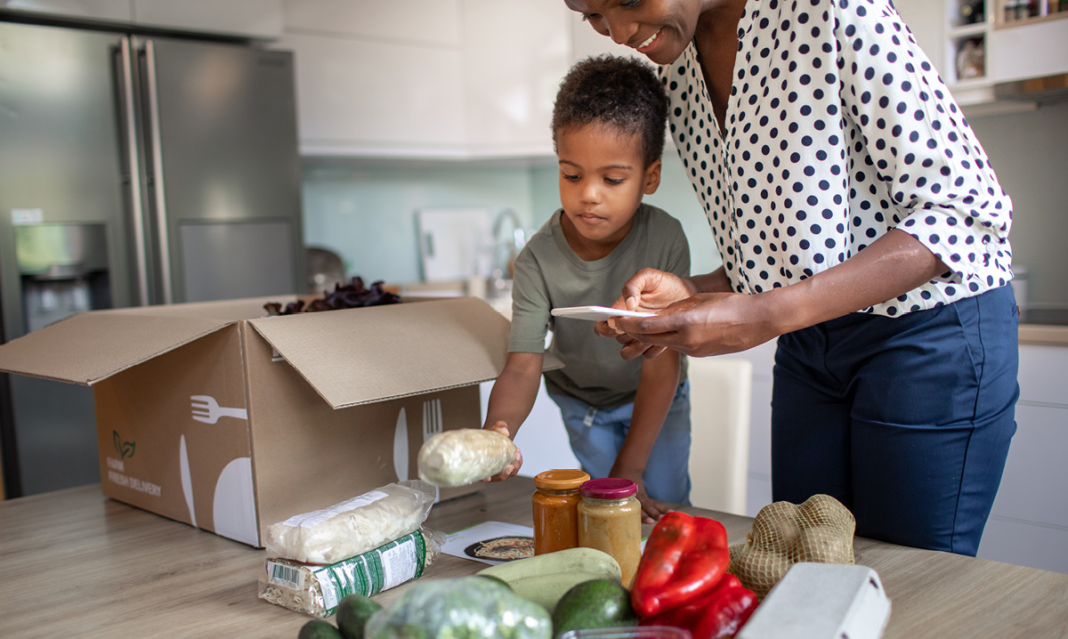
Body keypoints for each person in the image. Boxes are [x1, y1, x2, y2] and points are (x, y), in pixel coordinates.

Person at [564, 0, 1018, 556]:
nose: (619, 32)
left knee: (910, 583)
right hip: (812, 345)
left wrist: (765, 314)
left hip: (928, 333)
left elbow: (962, 213)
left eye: (629, 1)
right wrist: (697, 292)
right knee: (798, 563)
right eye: (592, 14)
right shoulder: (676, 69)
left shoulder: (832, 10)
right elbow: (790, 253)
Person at [482, 55, 692, 523]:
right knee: (608, 512)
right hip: (581, 402)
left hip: (654, 396)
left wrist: (632, 466)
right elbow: (521, 366)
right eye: (571, 174)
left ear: (649, 177)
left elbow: (662, 368)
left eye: (612, 179)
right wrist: (500, 431)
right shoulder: (536, 259)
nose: (588, 194)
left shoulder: (665, 239)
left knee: (663, 503)